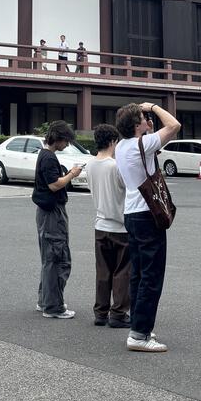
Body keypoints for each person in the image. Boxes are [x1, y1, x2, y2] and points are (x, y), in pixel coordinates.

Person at [114, 100, 181, 353]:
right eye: (143, 118)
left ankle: (139, 325)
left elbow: (147, 152)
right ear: (136, 124)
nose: (147, 120)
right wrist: (152, 106)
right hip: (147, 213)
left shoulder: (121, 146)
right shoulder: (143, 143)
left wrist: (147, 128)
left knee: (139, 274)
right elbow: (174, 125)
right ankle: (139, 335)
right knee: (152, 275)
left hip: (132, 213)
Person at [32, 120, 83, 319]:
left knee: (49, 259)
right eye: (66, 141)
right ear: (58, 138)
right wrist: (72, 174)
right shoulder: (49, 158)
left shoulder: (43, 154)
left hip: (45, 212)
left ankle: (45, 300)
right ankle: (53, 306)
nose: (67, 144)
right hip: (52, 213)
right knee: (57, 258)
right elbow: (54, 185)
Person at [88, 124, 130, 328]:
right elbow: (129, 189)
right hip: (121, 226)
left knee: (103, 271)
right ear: (113, 141)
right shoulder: (115, 166)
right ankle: (118, 313)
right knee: (122, 272)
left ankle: (100, 312)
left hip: (100, 224)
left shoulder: (90, 165)